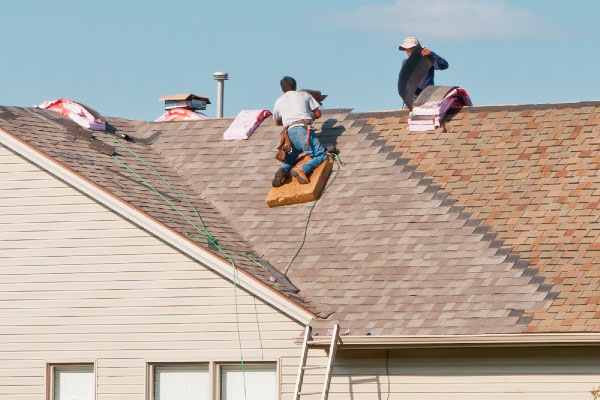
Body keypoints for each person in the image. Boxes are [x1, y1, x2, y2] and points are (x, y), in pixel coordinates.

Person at [271, 76, 327, 187]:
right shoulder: (304, 95)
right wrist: (308, 116)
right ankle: (302, 169)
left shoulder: (279, 101)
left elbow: (277, 123)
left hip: (289, 133)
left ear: (282, 89)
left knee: (292, 156)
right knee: (320, 155)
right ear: (295, 87)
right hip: (303, 129)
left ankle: (283, 170)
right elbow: (318, 114)